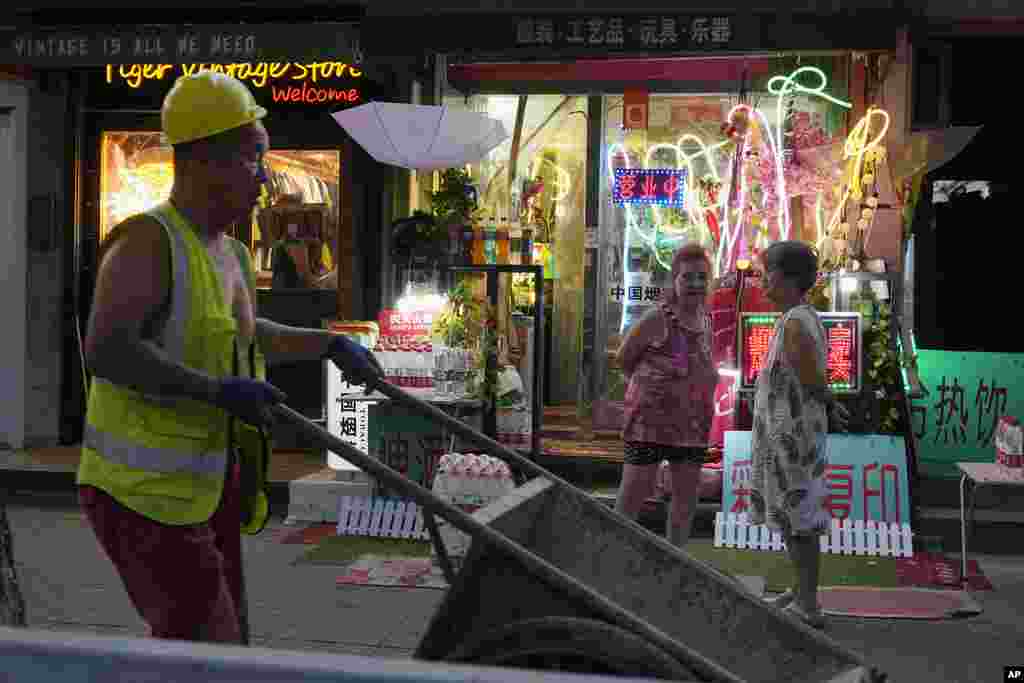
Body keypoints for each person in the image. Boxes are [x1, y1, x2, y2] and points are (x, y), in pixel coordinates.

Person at [78, 71, 382, 644]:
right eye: (253, 158)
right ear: (204, 161)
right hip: (138, 495)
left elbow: (248, 332)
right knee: (209, 646)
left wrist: (330, 344)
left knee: (221, 641)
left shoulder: (233, 253)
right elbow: (108, 349)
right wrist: (216, 392)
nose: (264, 177)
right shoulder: (147, 243)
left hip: (206, 486)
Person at [750, 241, 849, 628]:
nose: (762, 280)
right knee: (794, 516)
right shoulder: (796, 317)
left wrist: (829, 403)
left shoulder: (795, 322)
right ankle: (801, 589)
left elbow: (811, 379)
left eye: (767, 272)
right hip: (789, 437)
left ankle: (808, 603)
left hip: (793, 439)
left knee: (800, 518)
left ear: (788, 278)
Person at [614, 244, 718, 548]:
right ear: (674, 280)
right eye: (688, 278)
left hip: (693, 428)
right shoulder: (656, 318)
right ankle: (611, 563)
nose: (695, 284)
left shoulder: (706, 321)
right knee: (631, 500)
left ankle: (675, 567)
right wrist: (653, 387)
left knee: (685, 503)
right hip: (649, 425)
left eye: (701, 277)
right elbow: (624, 359)